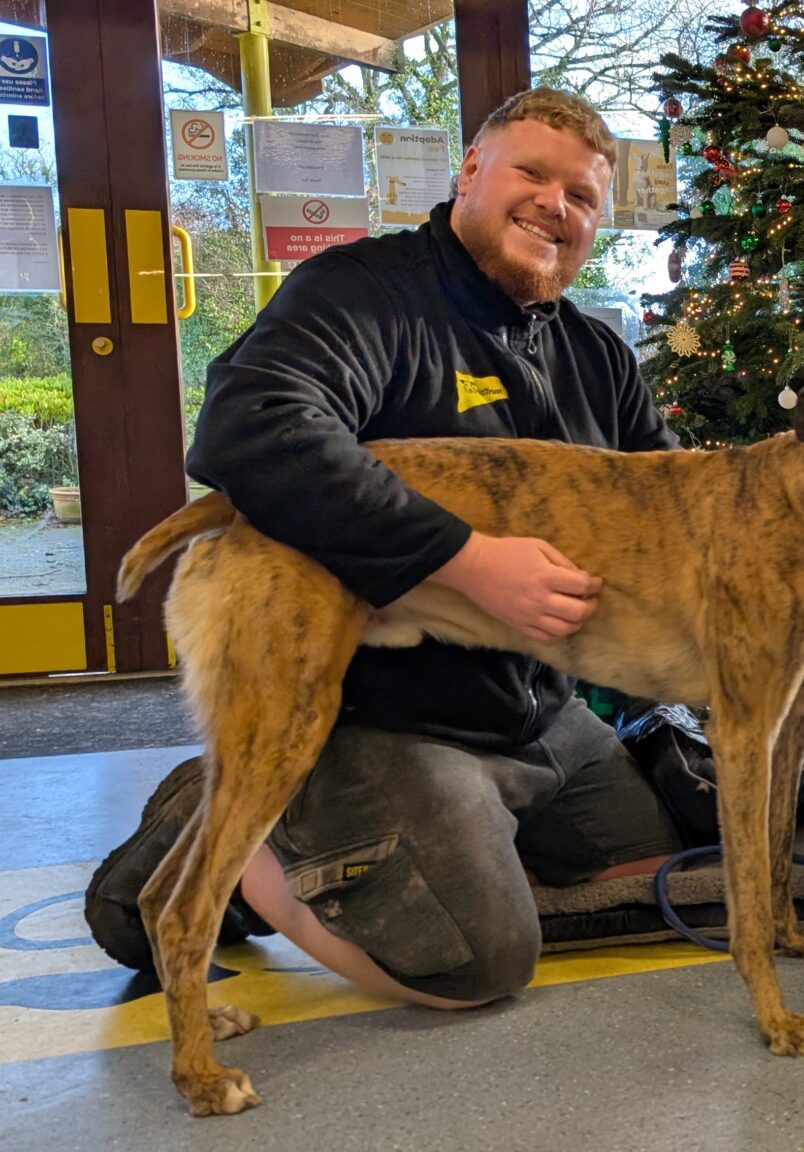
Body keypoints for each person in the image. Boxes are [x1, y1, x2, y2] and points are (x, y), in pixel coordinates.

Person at [85, 88, 685, 1008]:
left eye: (582, 196)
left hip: (534, 709)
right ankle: (261, 815)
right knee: (475, 965)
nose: (555, 206)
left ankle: (252, 797)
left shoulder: (597, 354)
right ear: (470, 172)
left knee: (646, 863)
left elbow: (677, 510)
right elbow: (250, 429)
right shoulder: (362, 294)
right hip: (384, 711)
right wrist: (467, 560)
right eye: (531, 173)